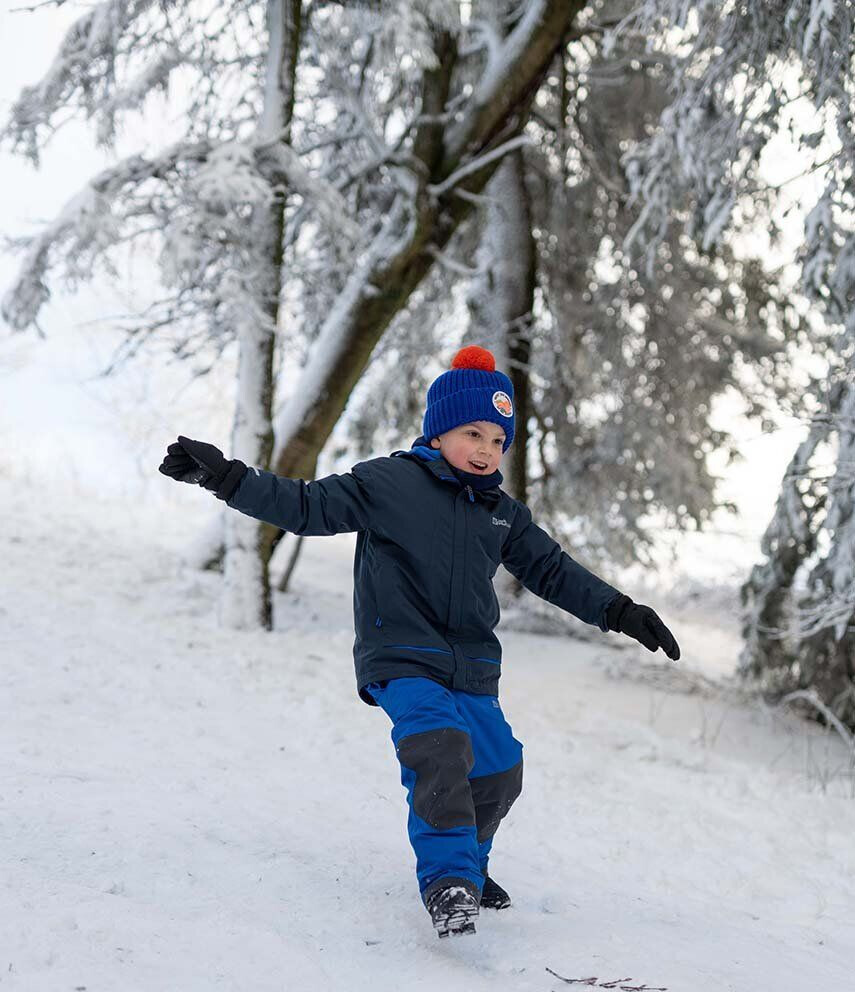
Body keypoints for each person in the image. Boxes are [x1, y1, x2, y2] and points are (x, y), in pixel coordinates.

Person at [159, 345, 680, 939]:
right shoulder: (389, 483)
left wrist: (622, 611)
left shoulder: (503, 514)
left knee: (501, 769)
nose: (485, 450)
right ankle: (447, 880)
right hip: (402, 656)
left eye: (497, 441)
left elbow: (554, 572)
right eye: (473, 433)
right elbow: (304, 507)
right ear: (438, 433)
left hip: (472, 667)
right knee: (440, 748)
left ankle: (471, 871)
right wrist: (223, 476)